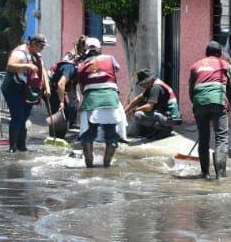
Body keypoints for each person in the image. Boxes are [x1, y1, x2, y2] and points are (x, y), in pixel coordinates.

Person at [189, 40, 231, 179]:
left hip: (199, 102)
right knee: (221, 138)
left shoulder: (195, 66)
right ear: (220, 53)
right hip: (217, 101)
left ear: (206, 53)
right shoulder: (225, 65)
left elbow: (191, 90)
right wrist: (229, 103)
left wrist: (198, 106)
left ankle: (205, 173)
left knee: (203, 139)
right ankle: (220, 175)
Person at [75, 37, 123, 168]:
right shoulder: (110, 58)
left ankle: (89, 166)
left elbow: (82, 87)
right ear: (99, 48)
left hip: (91, 99)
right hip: (111, 97)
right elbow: (116, 70)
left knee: (88, 134)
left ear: (86, 50)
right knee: (111, 134)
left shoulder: (81, 65)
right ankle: (106, 165)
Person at [0, 33, 48, 153]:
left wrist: (46, 87)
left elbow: (44, 70)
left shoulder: (37, 55)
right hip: (13, 88)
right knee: (18, 116)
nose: (43, 49)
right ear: (34, 44)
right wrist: (27, 66)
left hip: (27, 89)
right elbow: (10, 66)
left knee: (25, 117)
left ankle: (22, 146)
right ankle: (13, 147)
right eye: (41, 46)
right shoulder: (20, 53)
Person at [126, 69, 182, 140]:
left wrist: (134, 110)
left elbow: (149, 107)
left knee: (138, 115)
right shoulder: (154, 84)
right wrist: (126, 110)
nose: (141, 86)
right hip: (170, 117)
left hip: (171, 118)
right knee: (141, 104)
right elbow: (138, 98)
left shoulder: (155, 88)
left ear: (147, 81)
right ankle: (162, 129)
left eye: (141, 84)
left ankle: (165, 129)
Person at [50, 37, 86, 135]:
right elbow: (60, 84)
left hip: (68, 85)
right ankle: (56, 137)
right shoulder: (70, 64)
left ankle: (69, 125)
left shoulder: (80, 59)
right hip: (54, 87)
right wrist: (61, 102)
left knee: (73, 103)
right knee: (59, 112)